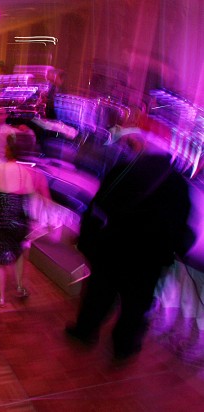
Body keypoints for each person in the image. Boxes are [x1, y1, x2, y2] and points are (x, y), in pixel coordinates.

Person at [67, 134, 194, 360]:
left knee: (99, 294)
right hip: (149, 257)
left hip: (114, 246)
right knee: (136, 304)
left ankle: (85, 332)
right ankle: (124, 347)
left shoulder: (124, 170)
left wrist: (88, 237)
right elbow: (180, 222)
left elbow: (100, 204)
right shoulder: (177, 183)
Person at [0, 135, 48, 307]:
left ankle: (0, 296)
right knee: (19, 253)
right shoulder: (25, 172)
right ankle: (20, 287)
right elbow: (31, 196)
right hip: (18, 219)